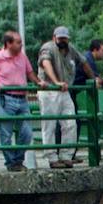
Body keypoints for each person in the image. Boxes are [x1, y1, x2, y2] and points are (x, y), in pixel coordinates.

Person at [0, 29, 42, 172]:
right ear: (8, 44)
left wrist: (38, 82)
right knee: (6, 133)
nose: (21, 45)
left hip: (22, 98)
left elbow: (29, 72)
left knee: (27, 132)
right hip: (6, 98)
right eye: (18, 42)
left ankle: (18, 160)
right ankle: (11, 163)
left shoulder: (22, 57)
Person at [37, 26, 80, 168]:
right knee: (49, 125)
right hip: (49, 90)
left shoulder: (70, 50)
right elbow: (45, 63)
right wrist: (55, 82)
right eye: (60, 38)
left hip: (63, 89)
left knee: (70, 122)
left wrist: (96, 78)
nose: (63, 40)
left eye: (65, 38)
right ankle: (52, 158)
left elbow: (83, 61)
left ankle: (66, 155)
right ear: (54, 37)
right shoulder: (47, 48)